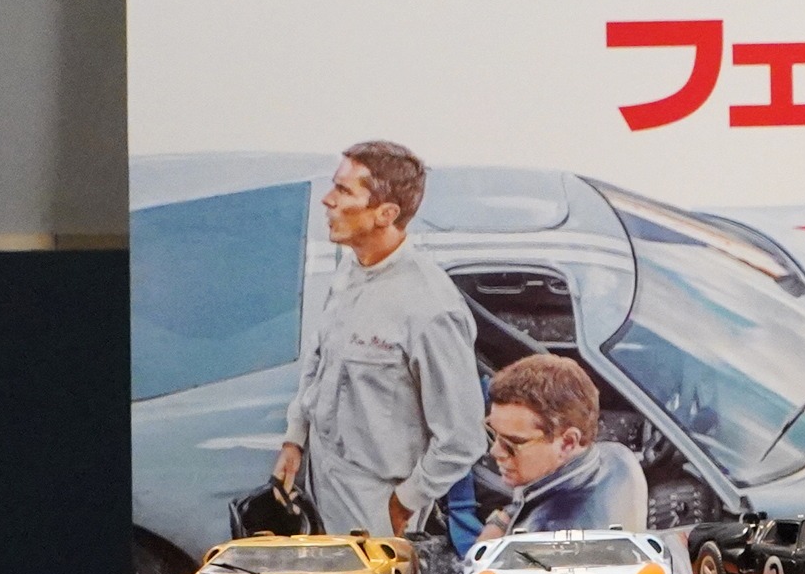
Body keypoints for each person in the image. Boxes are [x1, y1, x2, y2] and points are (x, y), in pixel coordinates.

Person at [272, 139, 482, 550]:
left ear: (386, 214)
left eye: (344, 191)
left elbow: (462, 438)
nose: (328, 200)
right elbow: (320, 357)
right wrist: (295, 438)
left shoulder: (430, 307)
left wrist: (404, 503)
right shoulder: (350, 271)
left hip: (375, 515)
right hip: (320, 490)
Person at [476, 351, 649, 536]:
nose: (495, 451)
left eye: (512, 443)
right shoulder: (618, 457)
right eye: (492, 433)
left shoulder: (542, 536)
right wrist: (503, 519)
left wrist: (493, 531)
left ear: (567, 442)